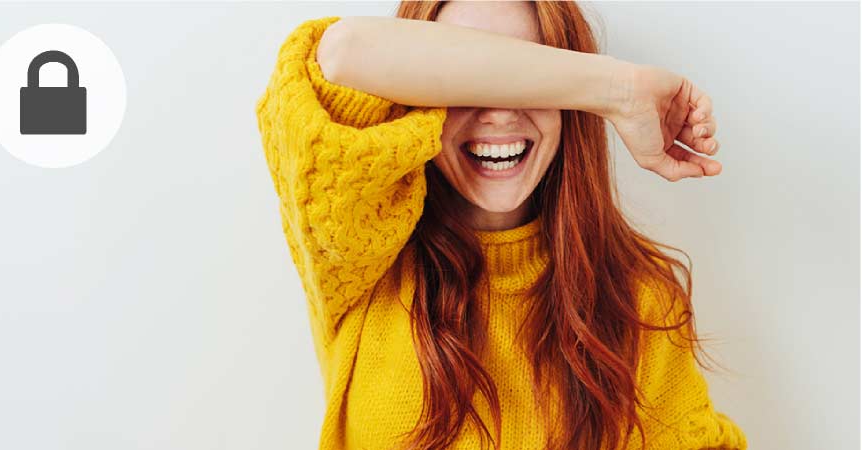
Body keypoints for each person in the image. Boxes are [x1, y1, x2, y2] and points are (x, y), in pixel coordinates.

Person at [255, 1, 746, 449]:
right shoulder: (363, 249)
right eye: (465, 80)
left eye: (526, 78)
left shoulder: (636, 296)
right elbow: (343, 53)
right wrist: (618, 90)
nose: (499, 113)